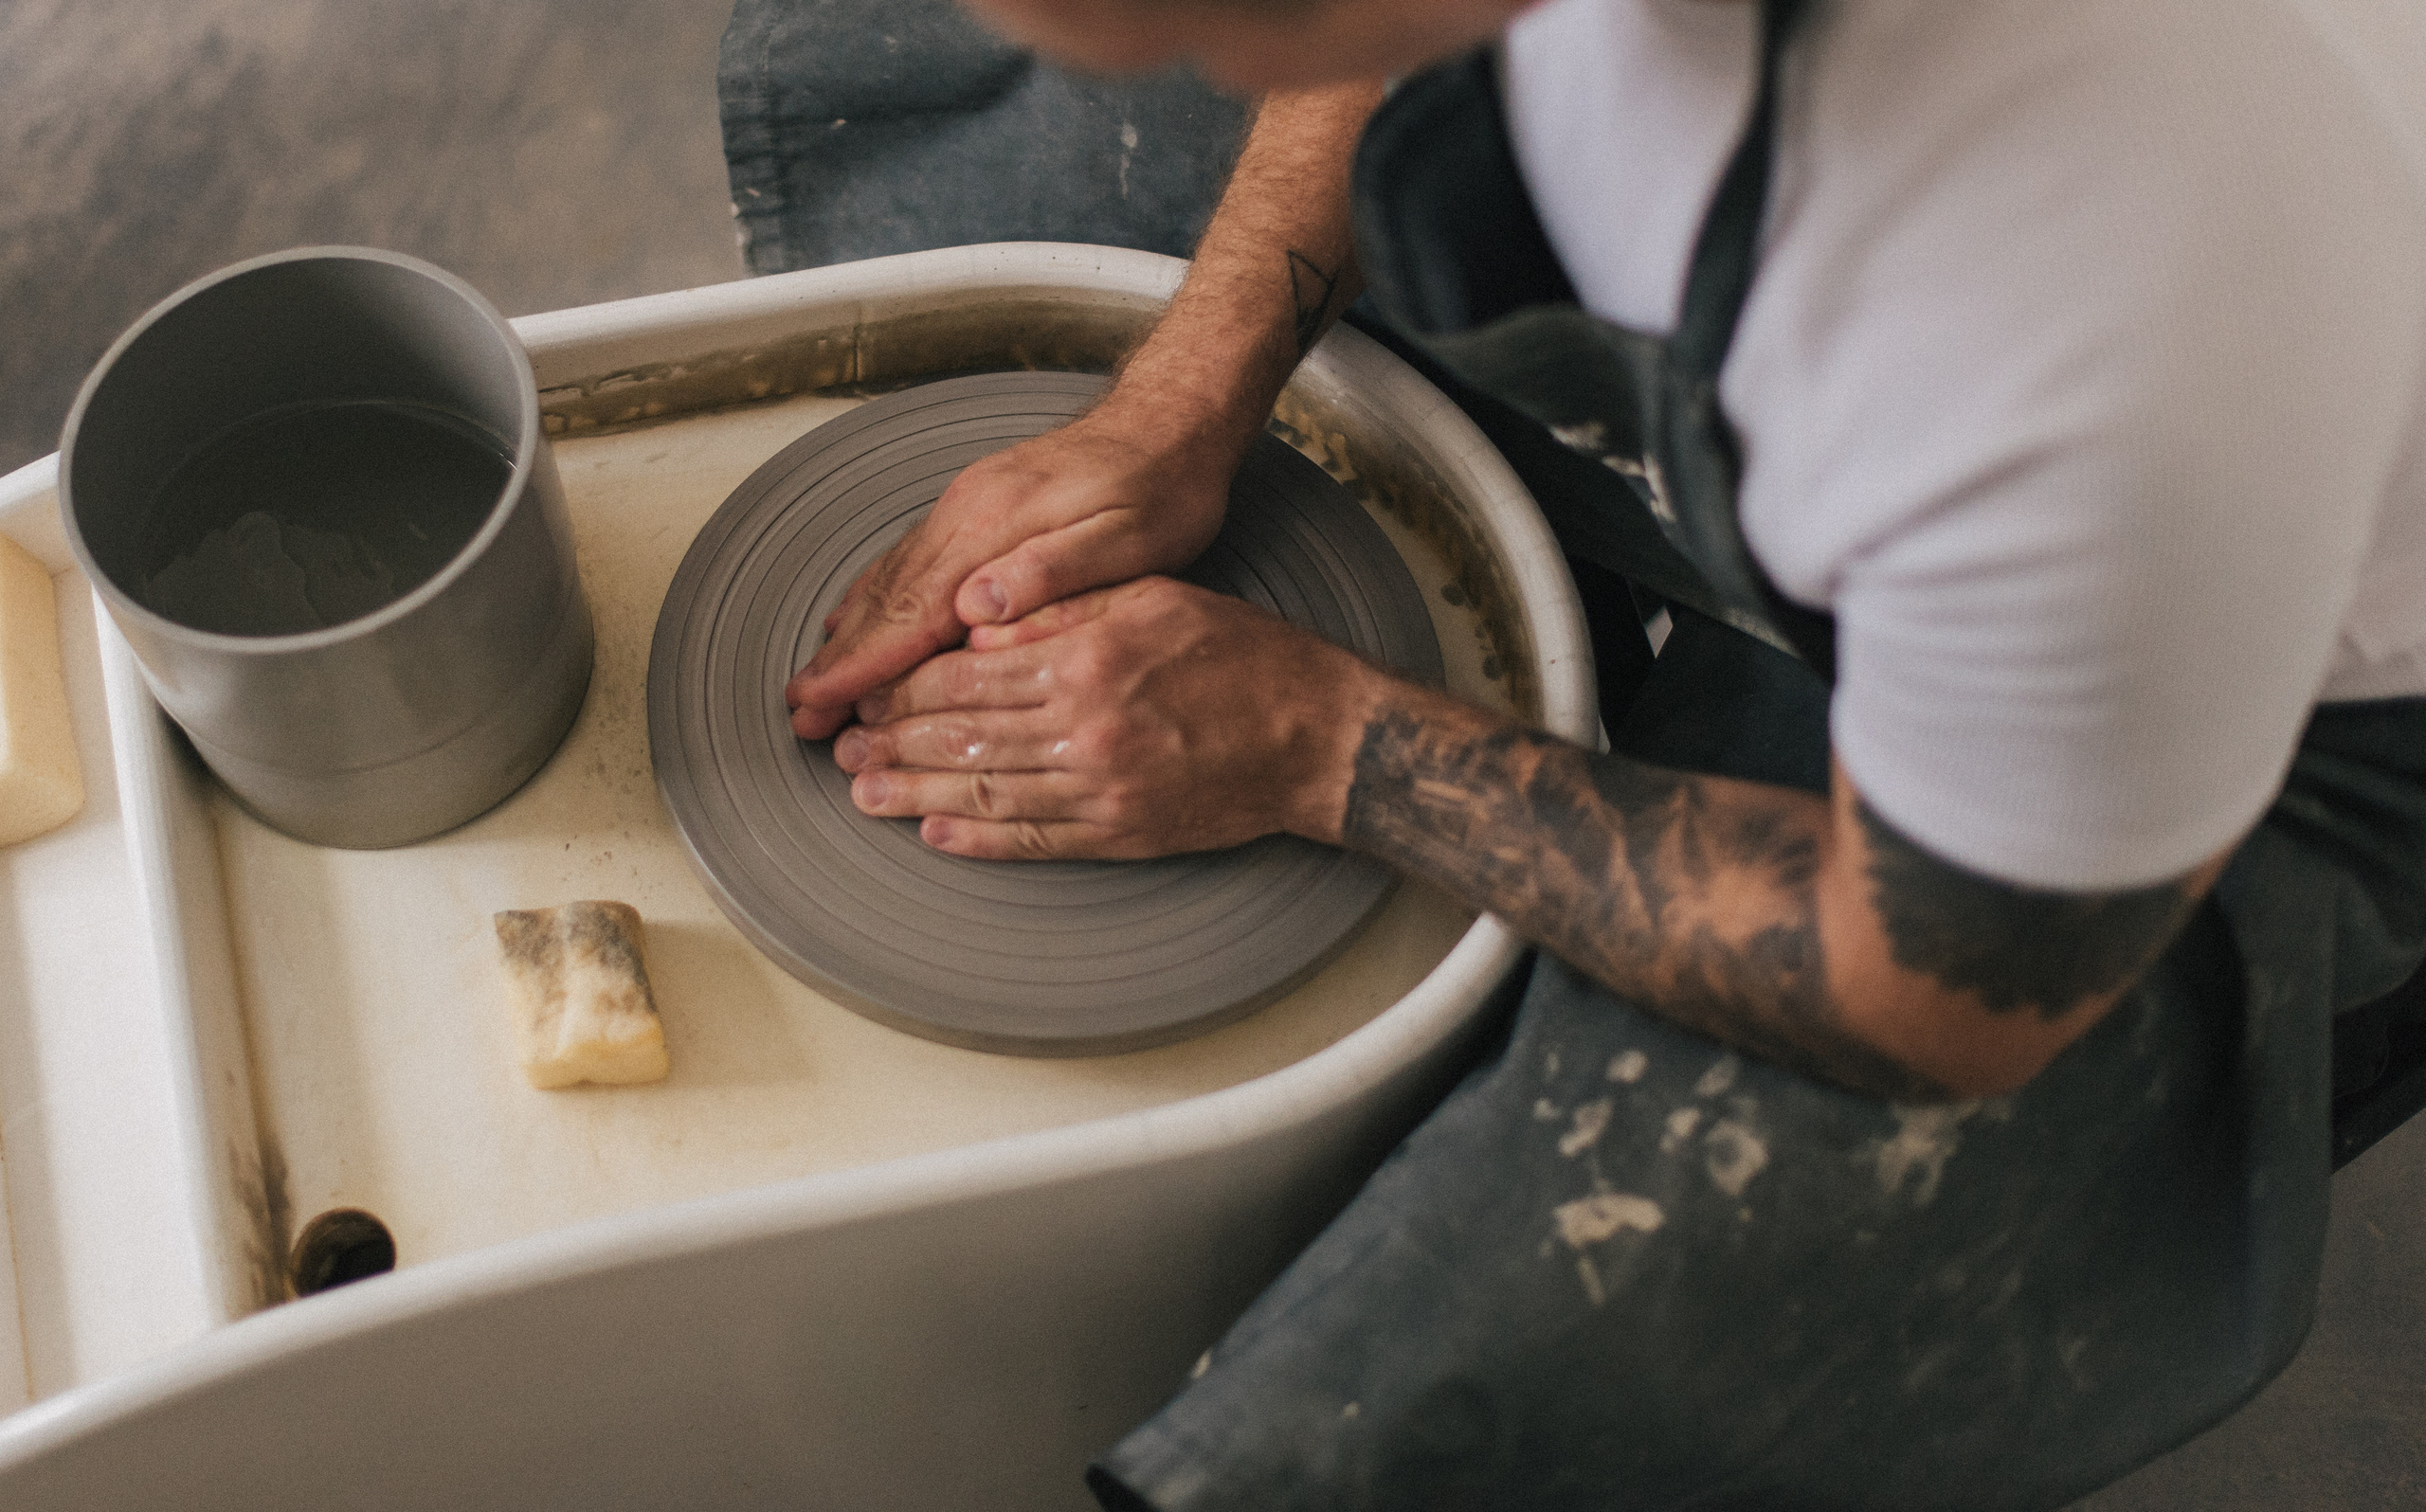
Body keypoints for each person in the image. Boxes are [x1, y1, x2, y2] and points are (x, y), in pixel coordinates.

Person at [779, 0, 2426, 1505]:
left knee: (1436, 1376)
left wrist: (1316, 737)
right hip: (2014, 467)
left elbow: (1932, 984)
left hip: (2265, 751)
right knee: (994, 120)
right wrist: (1179, 396)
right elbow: (1374, 34)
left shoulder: (2069, 332)